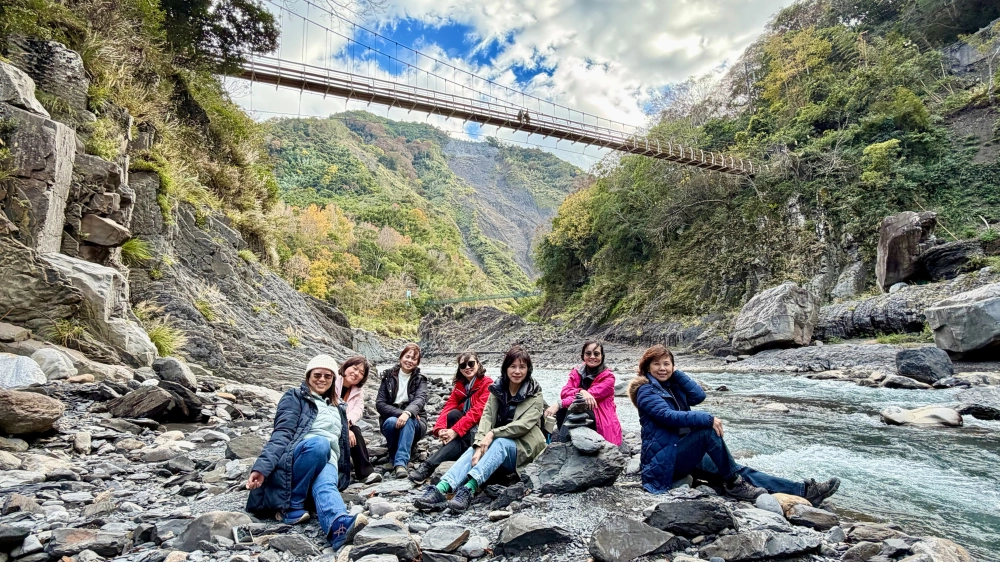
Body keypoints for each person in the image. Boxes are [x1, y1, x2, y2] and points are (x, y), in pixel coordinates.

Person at [629, 345, 840, 505]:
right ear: (647, 367)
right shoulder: (646, 391)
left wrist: (677, 374)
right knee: (706, 432)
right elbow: (668, 416)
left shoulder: (672, 385)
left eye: (667, 363)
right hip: (666, 462)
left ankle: (804, 492)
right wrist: (708, 419)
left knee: (736, 469)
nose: (662, 368)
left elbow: (698, 395)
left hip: (684, 451)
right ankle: (734, 484)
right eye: (656, 364)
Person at [245, 354, 367, 549]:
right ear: (308, 375)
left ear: (334, 379)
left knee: (327, 483)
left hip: (327, 458)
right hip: (299, 456)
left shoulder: (339, 407)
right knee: (320, 444)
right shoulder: (295, 397)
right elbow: (281, 434)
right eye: (317, 374)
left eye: (328, 376)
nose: (322, 379)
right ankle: (291, 505)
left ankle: (337, 527)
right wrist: (261, 468)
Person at [414, 346, 546, 513]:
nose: (517, 371)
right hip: (497, 445)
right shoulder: (498, 389)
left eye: (522, 367)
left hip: (523, 448)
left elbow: (523, 425)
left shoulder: (535, 393)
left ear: (529, 369)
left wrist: (492, 434)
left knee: (499, 442)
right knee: (473, 449)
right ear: (505, 368)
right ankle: (441, 488)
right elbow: (486, 418)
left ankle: (468, 489)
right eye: (513, 366)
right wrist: (478, 445)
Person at [409, 352, 493, 482]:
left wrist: (455, 431)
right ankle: (455, 450)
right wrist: (440, 429)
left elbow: (477, 412)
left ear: (478, 364)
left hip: (480, 430)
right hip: (464, 429)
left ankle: (428, 467)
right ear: (459, 369)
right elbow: (448, 407)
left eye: (471, 363)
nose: (467, 367)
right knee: (453, 414)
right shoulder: (460, 386)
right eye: (463, 365)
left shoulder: (487, 384)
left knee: (459, 438)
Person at [544, 341, 623, 445]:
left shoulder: (608, 378)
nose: (592, 356)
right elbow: (565, 392)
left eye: (596, 354)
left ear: (602, 356)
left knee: (572, 408)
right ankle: (566, 441)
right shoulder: (577, 372)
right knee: (563, 410)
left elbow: (584, 399)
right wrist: (582, 391)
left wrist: (559, 404)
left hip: (600, 417)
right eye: (588, 353)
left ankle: (562, 442)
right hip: (583, 414)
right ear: (583, 356)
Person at [375, 343, 430, 478]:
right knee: (391, 422)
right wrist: (402, 413)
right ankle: (395, 454)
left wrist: (408, 413)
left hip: (416, 422)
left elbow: (420, 400)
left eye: (413, 358)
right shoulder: (388, 376)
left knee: (409, 420)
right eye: (407, 356)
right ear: (401, 358)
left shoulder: (420, 379)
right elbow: (380, 403)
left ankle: (400, 463)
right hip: (393, 418)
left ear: (417, 363)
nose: (409, 360)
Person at [336, 355, 375, 482]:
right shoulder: (333, 381)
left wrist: (347, 423)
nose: (356, 373)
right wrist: (344, 427)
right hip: (330, 420)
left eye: (361, 372)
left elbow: (358, 409)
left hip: (345, 421)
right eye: (354, 368)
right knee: (352, 432)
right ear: (346, 367)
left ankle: (365, 473)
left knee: (356, 431)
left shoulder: (358, 391)